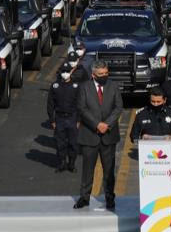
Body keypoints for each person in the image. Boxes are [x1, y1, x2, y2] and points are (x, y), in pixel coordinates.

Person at [75, 59, 123, 210]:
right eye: (101, 74)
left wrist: (106, 124)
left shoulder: (113, 86)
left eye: (106, 73)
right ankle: (84, 198)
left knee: (109, 170)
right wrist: (97, 124)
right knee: (87, 169)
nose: (104, 76)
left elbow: (118, 107)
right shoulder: (84, 87)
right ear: (93, 74)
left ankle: (110, 198)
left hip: (108, 135)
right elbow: (82, 109)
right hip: (90, 134)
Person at [47, 63, 81, 172]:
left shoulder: (76, 86)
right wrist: (52, 120)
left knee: (73, 142)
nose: (65, 74)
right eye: (63, 72)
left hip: (72, 118)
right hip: (60, 118)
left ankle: (71, 164)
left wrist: (79, 120)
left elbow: (80, 104)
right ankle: (62, 163)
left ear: (70, 72)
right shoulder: (55, 86)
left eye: (67, 71)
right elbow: (50, 104)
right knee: (60, 142)